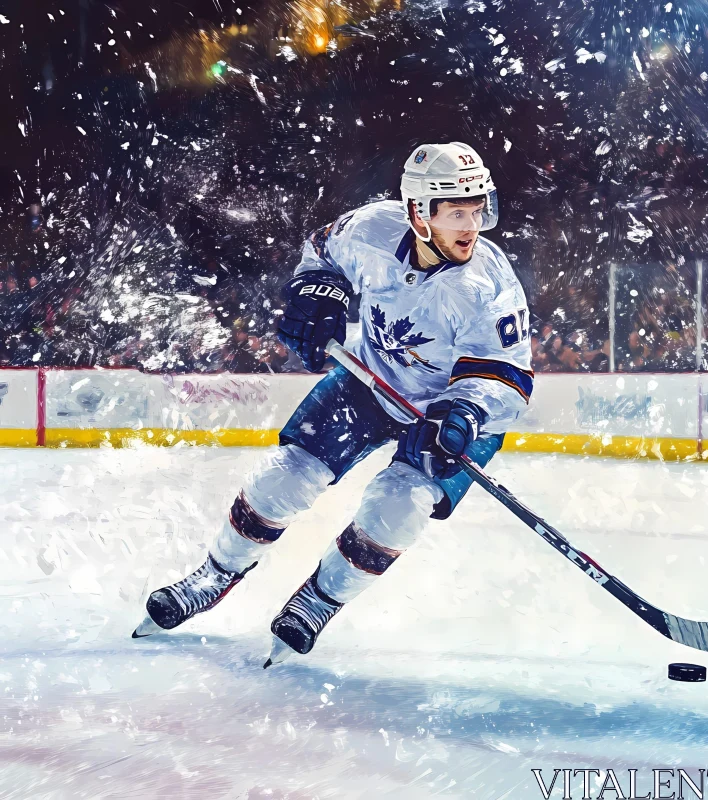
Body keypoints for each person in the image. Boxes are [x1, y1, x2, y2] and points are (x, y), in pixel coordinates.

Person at [133, 143, 535, 666]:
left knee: (397, 508)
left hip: (450, 416)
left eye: (479, 211)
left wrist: (460, 414)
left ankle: (319, 600)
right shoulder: (369, 229)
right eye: (457, 212)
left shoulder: (488, 285)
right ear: (419, 212)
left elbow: (507, 376)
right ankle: (214, 574)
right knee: (283, 478)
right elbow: (321, 253)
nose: (471, 226)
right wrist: (318, 290)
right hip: (367, 382)